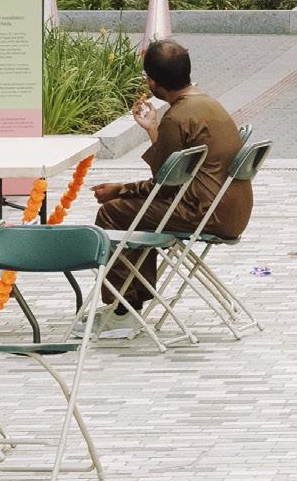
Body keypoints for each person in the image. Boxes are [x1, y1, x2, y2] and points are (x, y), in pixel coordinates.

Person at [91, 37, 252, 305]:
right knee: (138, 212)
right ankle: (133, 297)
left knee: (113, 212)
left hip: (205, 214)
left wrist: (119, 190)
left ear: (153, 82)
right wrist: (153, 129)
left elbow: (164, 186)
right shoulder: (209, 104)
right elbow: (173, 169)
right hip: (233, 211)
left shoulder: (177, 117)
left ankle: (122, 305)